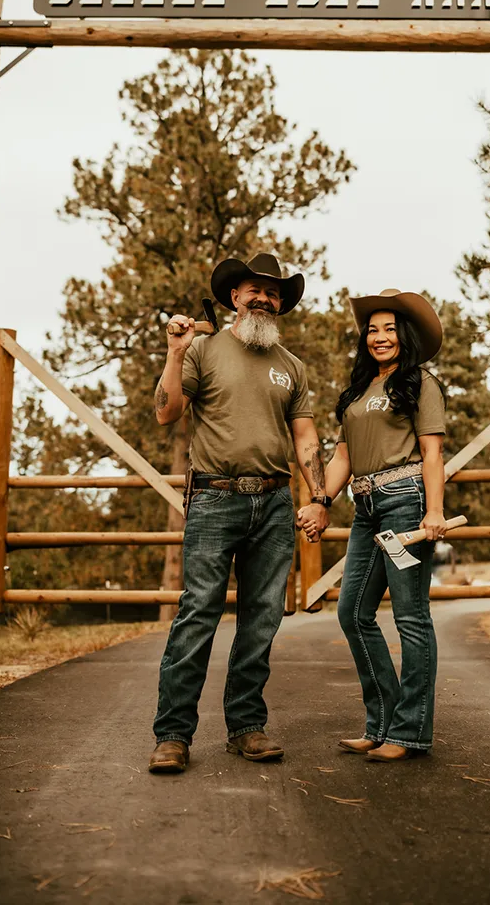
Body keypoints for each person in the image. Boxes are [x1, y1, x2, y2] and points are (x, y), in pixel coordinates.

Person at [149, 252, 330, 774]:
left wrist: (319, 498)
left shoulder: (291, 366)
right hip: (214, 498)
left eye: (274, 293)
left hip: (274, 503)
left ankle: (247, 726)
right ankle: (173, 734)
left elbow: (305, 437)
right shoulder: (202, 349)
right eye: (256, 290)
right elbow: (165, 412)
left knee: (262, 620)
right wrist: (174, 353)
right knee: (198, 614)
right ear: (235, 297)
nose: (264, 299)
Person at [299, 288, 446, 763]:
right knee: (353, 613)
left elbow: (432, 453)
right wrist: (321, 500)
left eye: (389, 329)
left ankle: (410, 732)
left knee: (410, 617)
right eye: (372, 329)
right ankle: (380, 724)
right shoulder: (359, 391)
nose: (379, 337)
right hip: (366, 509)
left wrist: (434, 510)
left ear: (404, 336)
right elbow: (343, 456)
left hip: (405, 504)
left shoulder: (419, 383)